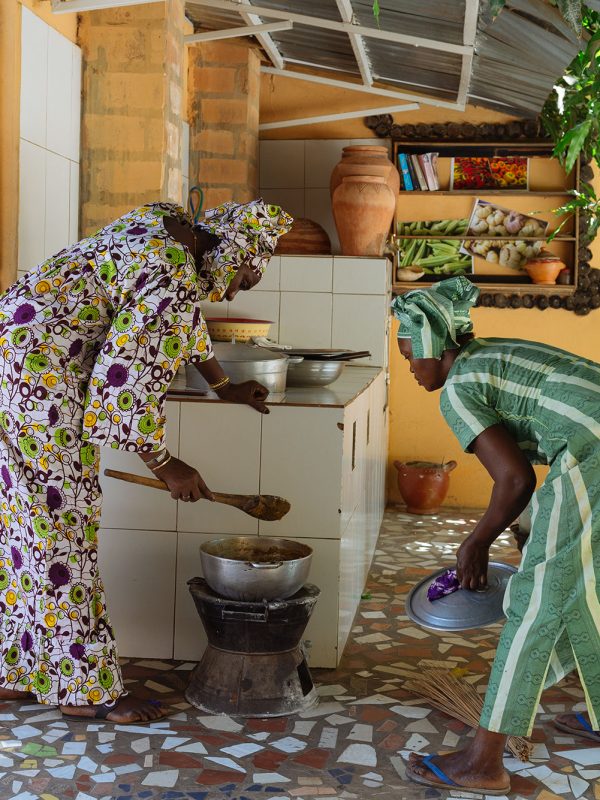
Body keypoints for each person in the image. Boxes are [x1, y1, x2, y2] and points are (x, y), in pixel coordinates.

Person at [0, 199, 292, 723]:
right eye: (243, 279)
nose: (230, 293)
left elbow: (172, 317)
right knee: (64, 536)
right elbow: (123, 385)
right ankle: (86, 692)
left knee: (25, 533)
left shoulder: (164, 223)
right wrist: (167, 465)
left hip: (12, 361)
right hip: (43, 384)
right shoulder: (176, 275)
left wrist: (223, 387)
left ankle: (18, 672)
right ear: (236, 252)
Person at [391, 276, 600, 795]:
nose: (410, 369)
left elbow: (516, 479)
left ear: (436, 347)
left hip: (595, 457)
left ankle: (483, 761)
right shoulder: (490, 356)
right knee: (587, 593)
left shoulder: (459, 387)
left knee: (537, 606)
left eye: (410, 354)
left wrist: (475, 541)